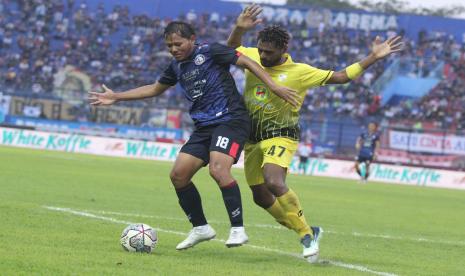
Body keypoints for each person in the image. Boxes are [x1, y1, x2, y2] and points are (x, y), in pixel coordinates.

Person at [89, 21, 299, 250]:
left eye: (178, 44)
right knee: (178, 175)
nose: (173, 49)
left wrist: (274, 86)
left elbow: (248, 61)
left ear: (191, 39)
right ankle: (201, 228)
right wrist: (117, 96)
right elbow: (154, 88)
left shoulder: (211, 51)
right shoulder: (176, 66)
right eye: (169, 45)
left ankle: (237, 229)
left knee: (218, 169)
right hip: (203, 126)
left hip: (230, 120)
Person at [227, 4, 402, 260]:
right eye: (261, 50)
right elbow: (229, 50)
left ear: (284, 50)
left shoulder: (301, 72)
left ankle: (307, 238)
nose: (263, 56)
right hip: (252, 137)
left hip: (281, 133)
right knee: (260, 196)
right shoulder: (252, 55)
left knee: (274, 181)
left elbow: (341, 77)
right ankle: (309, 229)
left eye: (269, 52)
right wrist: (238, 29)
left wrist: (373, 57)